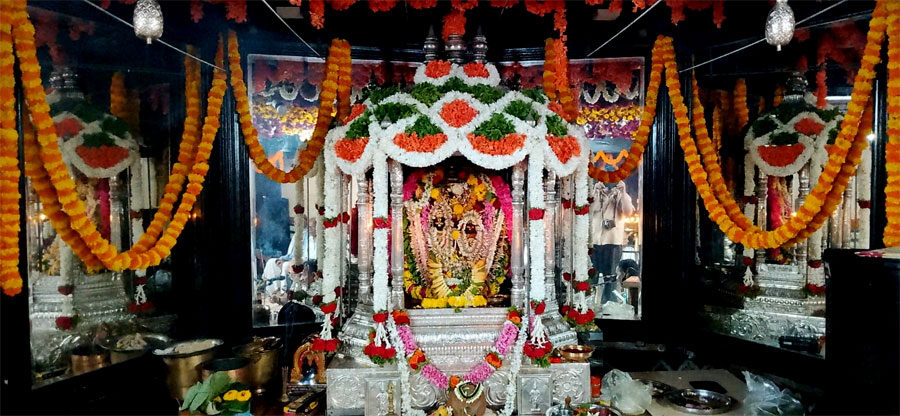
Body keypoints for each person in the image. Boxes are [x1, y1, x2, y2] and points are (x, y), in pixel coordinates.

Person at [590, 181, 635, 277]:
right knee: (593, 276)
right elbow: (589, 209)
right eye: (605, 180)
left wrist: (623, 192)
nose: (609, 183)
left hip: (613, 242)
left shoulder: (622, 196)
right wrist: (595, 191)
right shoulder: (596, 194)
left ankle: (609, 287)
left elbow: (628, 212)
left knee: (610, 277)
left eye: (612, 180)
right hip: (595, 242)